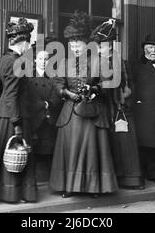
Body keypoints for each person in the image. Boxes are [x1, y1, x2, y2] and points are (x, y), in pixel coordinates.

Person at [49, 11, 118, 197]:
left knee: (92, 150)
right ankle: (69, 186)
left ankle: (94, 187)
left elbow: (109, 83)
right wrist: (67, 93)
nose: (74, 46)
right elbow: (57, 83)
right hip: (71, 114)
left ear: (86, 42)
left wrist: (94, 89)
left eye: (77, 42)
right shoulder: (63, 62)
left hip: (93, 112)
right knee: (71, 149)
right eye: (71, 43)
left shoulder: (98, 61)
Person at [0, 18, 37, 203]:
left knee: (3, 154)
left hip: (2, 115)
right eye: (28, 44)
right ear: (23, 43)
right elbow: (13, 95)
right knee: (18, 154)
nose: (28, 47)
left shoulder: (3, 60)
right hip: (16, 116)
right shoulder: (18, 63)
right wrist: (17, 124)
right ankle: (16, 194)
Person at [90, 19, 144, 189]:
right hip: (102, 107)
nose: (99, 48)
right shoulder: (95, 61)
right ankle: (112, 179)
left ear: (111, 45)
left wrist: (123, 99)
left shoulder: (121, 62)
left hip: (120, 107)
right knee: (109, 144)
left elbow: (130, 86)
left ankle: (131, 179)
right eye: (98, 45)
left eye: (102, 45)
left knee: (125, 143)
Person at [132, 34, 155, 186]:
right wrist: (137, 101)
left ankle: (153, 174)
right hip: (143, 110)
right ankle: (141, 174)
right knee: (144, 143)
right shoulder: (137, 66)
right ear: (144, 49)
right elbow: (133, 86)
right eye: (150, 48)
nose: (153, 51)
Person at [27, 47, 62, 181]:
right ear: (35, 60)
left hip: (49, 118)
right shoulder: (29, 76)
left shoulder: (54, 76)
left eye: (46, 59)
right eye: (40, 59)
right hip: (34, 118)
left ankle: (51, 179)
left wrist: (49, 104)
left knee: (49, 149)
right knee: (33, 150)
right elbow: (28, 98)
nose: (43, 62)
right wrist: (42, 105)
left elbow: (56, 96)